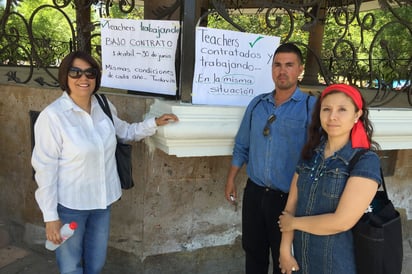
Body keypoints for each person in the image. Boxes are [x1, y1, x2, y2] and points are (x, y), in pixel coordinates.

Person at [31, 51, 178, 274]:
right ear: (65, 76)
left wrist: (154, 123)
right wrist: (50, 217)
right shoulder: (53, 117)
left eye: (90, 73)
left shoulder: (103, 105)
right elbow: (45, 169)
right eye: (75, 72)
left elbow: (125, 132)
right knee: (71, 268)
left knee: (96, 264)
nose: (83, 78)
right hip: (71, 207)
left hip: (102, 203)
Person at [224, 43, 316, 274]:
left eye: (289, 65)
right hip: (254, 193)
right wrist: (231, 179)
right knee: (253, 252)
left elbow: (315, 155)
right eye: (277, 65)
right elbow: (242, 145)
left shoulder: (310, 107)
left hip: (288, 199)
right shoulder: (257, 104)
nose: (282, 70)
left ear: (300, 70)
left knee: (284, 259)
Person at [278, 83, 382, 274]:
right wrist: (285, 249)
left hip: (337, 265)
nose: (332, 116)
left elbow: (342, 221)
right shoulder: (310, 154)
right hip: (300, 260)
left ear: (357, 115)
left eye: (342, 109)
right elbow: (291, 205)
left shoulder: (365, 160)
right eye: (326, 109)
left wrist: (293, 224)